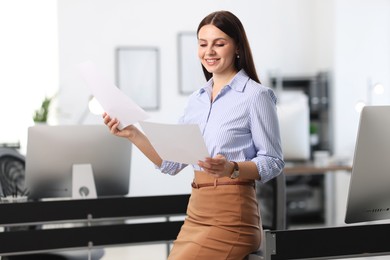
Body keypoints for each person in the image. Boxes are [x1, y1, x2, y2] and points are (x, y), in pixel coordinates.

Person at [103, 10, 284, 260]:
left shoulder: (256, 96)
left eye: (219, 44)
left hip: (233, 218)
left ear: (238, 47)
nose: (209, 51)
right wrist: (133, 133)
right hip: (197, 212)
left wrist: (232, 168)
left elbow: (273, 161)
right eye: (202, 44)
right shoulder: (196, 100)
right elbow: (171, 163)